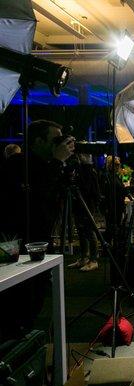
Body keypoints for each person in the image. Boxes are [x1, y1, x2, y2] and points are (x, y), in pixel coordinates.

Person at [0, 120, 73, 340]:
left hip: (41, 237)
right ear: (38, 141)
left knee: (37, 293)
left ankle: (25, 340)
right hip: (15, 241)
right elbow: (38, 194)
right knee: (18, 297)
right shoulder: (19, 164)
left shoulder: (48, 165)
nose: (58, 145)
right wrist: (58, 162)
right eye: (54, 140)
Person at [69, 154, 101, 272]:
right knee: (81, 231)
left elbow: (88, 188)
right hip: (78, 205)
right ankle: (84, 257)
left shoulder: (90, 171)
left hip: (87, 205)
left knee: (89, 231)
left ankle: (93, 260)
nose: (80, 156)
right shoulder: (79, 169)